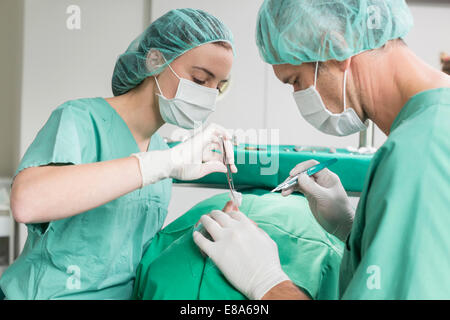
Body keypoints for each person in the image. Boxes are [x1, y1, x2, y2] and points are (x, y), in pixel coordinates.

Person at [194, 0, 450, 300]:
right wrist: (353, 229)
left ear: (337, 45)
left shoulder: (419, 150)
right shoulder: (431, 126)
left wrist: (268, 284)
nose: (299, 96)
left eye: (296, 81)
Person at [0, 8, 236, 299]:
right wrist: (162, 164)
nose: (209, 95)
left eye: (219, 87)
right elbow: (27, 202)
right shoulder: (80, 119)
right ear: (155, 60)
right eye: (201, 80)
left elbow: (125, 257)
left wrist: (205, 234)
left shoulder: (160, 153)